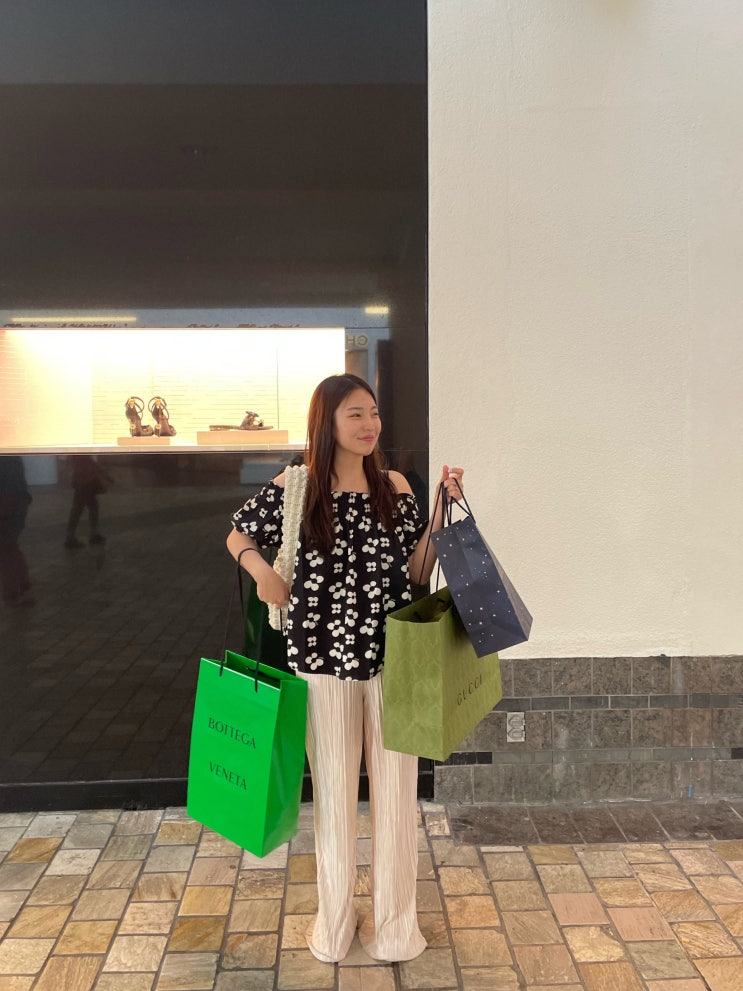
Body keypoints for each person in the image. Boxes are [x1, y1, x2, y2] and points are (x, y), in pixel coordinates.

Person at [226, 373, 463, 963]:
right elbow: (237, 535)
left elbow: (416, 571)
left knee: (397, 796)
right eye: (355, 414)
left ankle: (395, 929)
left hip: (395, 658)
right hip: (320, 660)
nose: (369, 425)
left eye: (374, 413)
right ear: (327, 421)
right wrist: (263, 573)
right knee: (332, 795)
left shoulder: (394, 485)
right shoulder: (296, 486)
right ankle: (333, 926)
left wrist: (441, 509)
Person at [0, 456, 33, 607]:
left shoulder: (7, 459)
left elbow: (10, 491)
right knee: (9, 549)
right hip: (12, 508)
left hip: (8, 510)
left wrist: (3, 513)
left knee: (6, 551)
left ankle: (13, 591)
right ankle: (21, 585)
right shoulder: (9, 458)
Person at [64, 455, 111, 548]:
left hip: (85, 481)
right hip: (84, 482)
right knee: (79, 509)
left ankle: (92, 534)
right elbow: (88, 463)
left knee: (91, 507)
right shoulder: (78, 454)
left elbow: (87, 463)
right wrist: (104, 474)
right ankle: (71, 537)